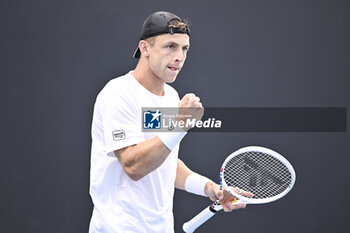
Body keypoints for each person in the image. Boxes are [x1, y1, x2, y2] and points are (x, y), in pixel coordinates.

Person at [89, 11, 251, 233]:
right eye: (170, 46)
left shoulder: (172, 98)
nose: (180, 57)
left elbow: (163, 162)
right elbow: (133, 165)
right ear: (145, 48)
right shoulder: (118, 94)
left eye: (184, 48)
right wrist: (180, 124)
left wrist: (209, 188)